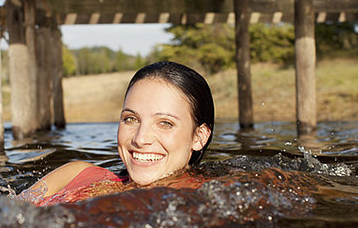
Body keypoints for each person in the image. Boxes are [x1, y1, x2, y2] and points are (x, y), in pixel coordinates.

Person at [22, 61, 215, 205]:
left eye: (165, 123)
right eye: (131, 119)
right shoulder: (75, 174)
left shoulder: (209, 202)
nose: (140, 139)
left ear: (199, 137)